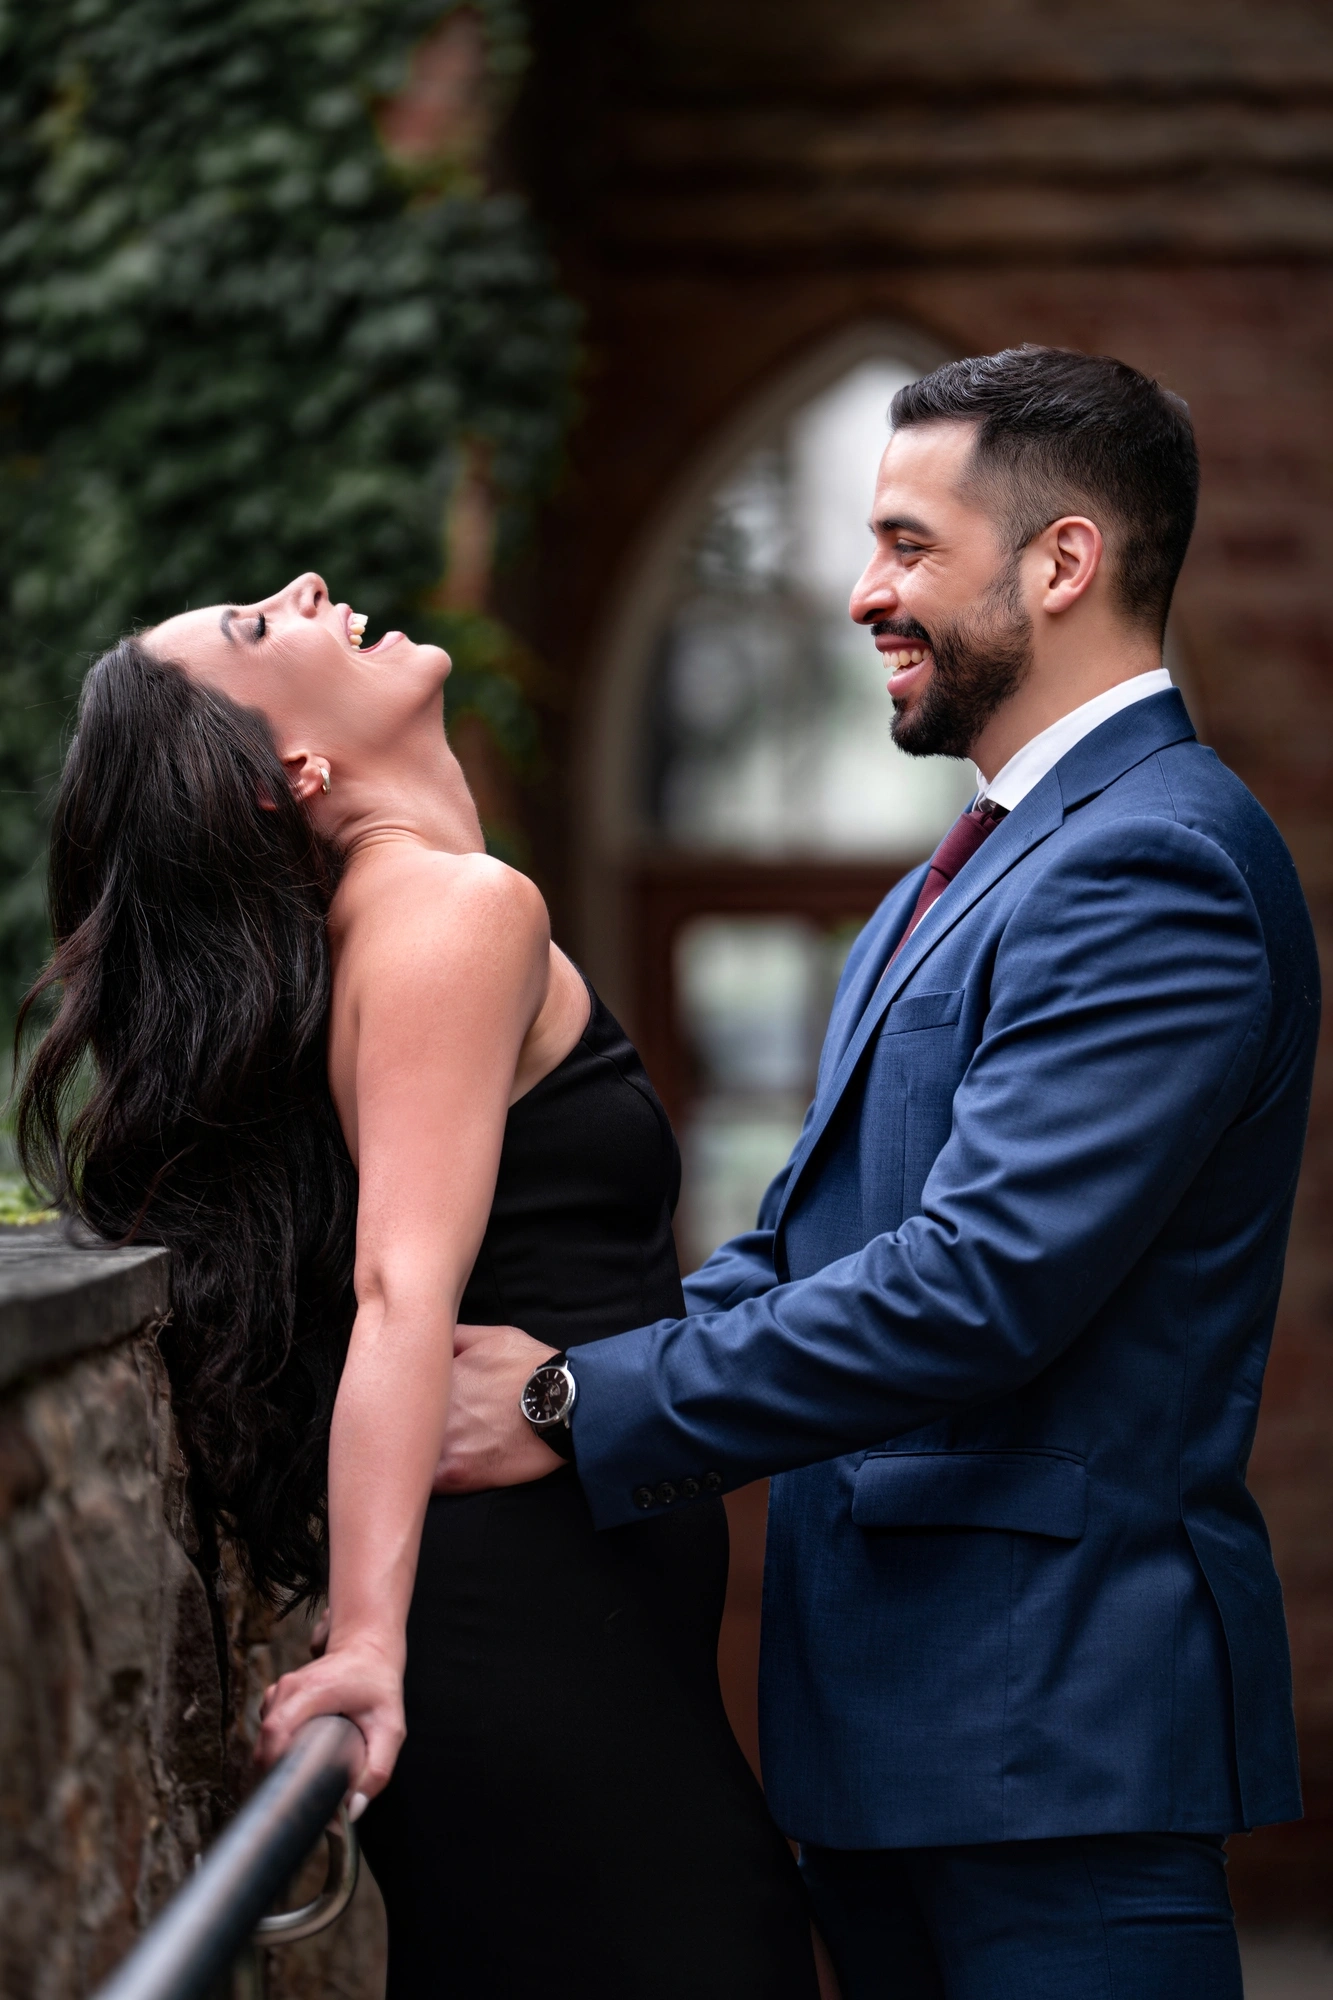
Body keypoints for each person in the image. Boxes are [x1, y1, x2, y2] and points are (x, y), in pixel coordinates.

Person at [434, 347, 1321, 1998]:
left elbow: (977, 1290)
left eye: (910, 546)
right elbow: (805, 1247)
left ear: (1062, 563)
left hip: (1055, 1757)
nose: (861, 596)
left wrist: (576, 1405)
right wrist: (553, 1371)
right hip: (897, 1754)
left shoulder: (1158, 863)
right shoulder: (959, 878)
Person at [14, 584, 818, 2000]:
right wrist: (370, 1648)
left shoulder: (394, 925)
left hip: (567, 1644)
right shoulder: (458, 910)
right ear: (296, 775)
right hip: (535, 1657)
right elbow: (400, 1291)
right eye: (261, 630)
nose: (305, 591)